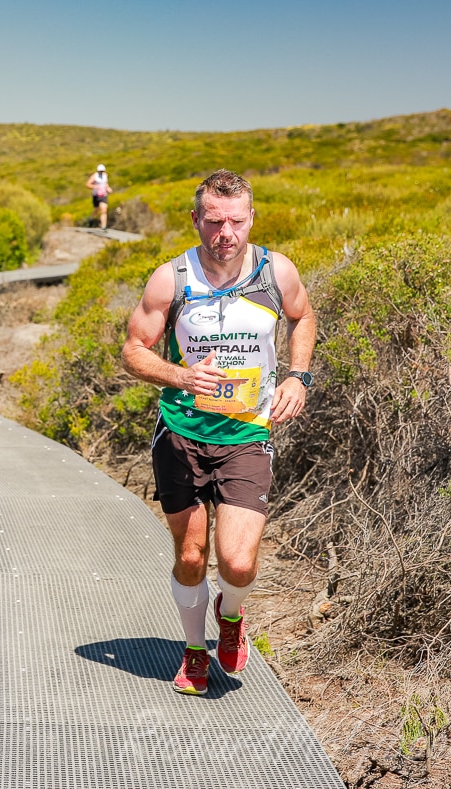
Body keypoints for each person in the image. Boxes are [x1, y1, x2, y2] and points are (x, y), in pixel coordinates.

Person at [120, 169, 316, 696]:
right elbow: (134, 349)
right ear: (196, 221)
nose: (225, 232)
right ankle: (193, 650)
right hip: (181, 433)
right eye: (213, 221)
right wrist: (181, 375)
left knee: (237, 561)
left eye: (235, 220)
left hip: (248, 433)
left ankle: (231, 615)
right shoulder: (172, 278)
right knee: (190, 557)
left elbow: (302, 317)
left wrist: (298, 376)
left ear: (251, 218)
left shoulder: (276, 271)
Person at [86, 164, 112, 229]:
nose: (101, 172)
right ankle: (91, 219)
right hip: (96, 195)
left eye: (102, 171)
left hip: (103, 195)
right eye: (100, 171)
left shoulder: (105, 176)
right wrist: (95, 187)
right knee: (96, 210)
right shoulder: (94, 176)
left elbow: (106, 183)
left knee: (104, 210)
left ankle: (103, 226)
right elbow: (88, 184)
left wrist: (108, 188)